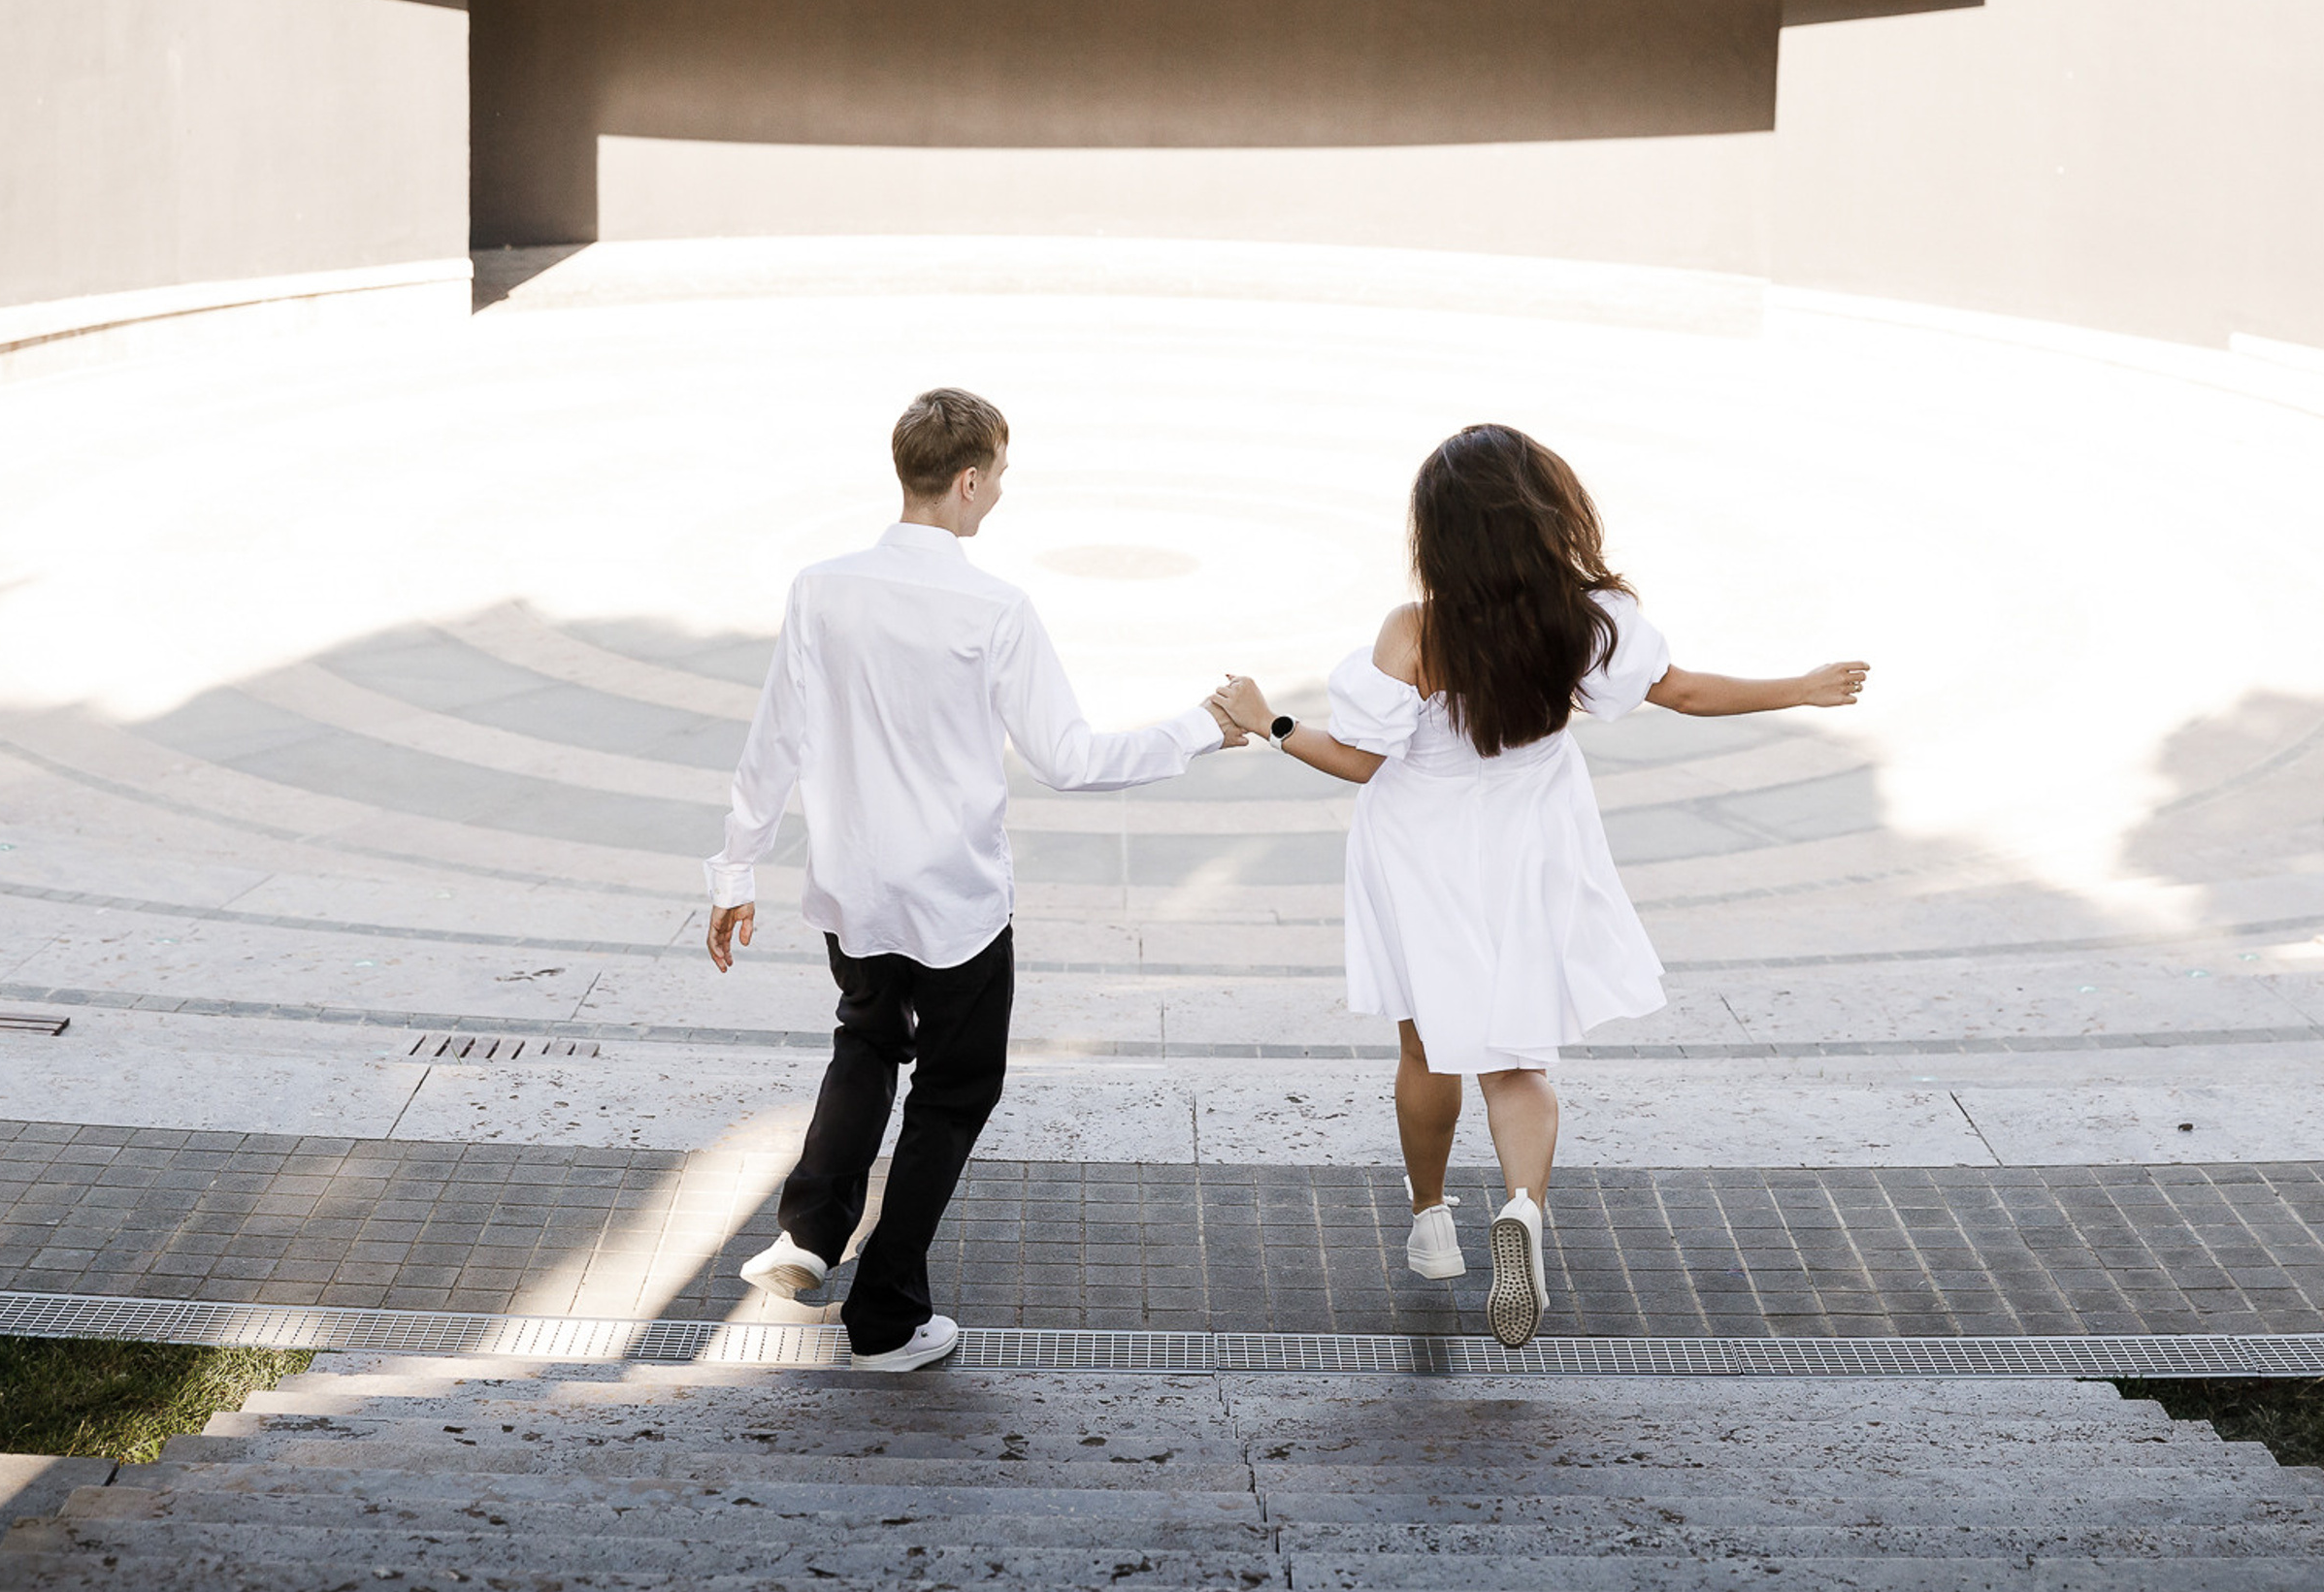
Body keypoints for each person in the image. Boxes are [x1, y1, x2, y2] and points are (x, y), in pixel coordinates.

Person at [1212, 423, 1866, 1348]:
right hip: (1530, 844)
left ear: (1439, 533)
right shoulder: (1584, 620)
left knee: (1426, 1044)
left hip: (1421, 850)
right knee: (1516, 1057)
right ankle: (1522, 1206)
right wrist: (1800, 687)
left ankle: (1432, 1224)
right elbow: (1684, 693)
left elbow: (1359, 759)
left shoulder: (1415, 631)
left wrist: (1269, 722)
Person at [705, 386, 1243, 1370]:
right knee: (953, 1094)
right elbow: (1070, 758)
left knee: (866, 1039)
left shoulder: (821, 588)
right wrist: (1202, 727)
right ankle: (886, 1317)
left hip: (851, 885)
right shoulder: (995, 608)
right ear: (965, 480)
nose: (998, 490)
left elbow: (775, 736)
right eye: (995, 474)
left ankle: (810, 1233)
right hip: (954, 899)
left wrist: (735, 868)